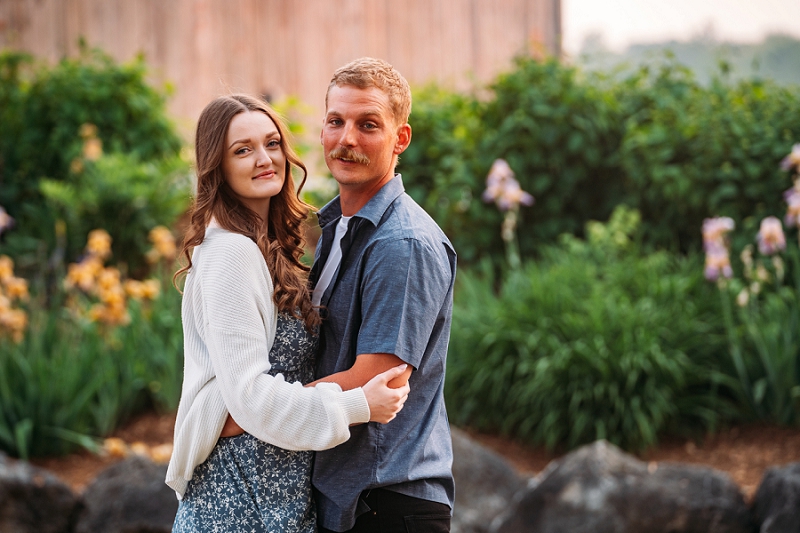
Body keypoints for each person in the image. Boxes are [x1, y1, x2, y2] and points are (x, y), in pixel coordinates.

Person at [165, 94, 410, 532]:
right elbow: (251, 398)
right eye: (242, 150)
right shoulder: (232, 253)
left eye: (272, 143)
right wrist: (356, 404)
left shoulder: (266, 248)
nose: (264, 159)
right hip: (238, 499)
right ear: (217, 166)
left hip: (276, 492)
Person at [310, 57, 457, 533]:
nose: (347, 138)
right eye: (336, 121)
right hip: (354, 497)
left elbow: (377, 378)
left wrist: (257, 414)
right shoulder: (338, 228)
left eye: (368, 124)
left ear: (401, 139)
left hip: (388, 503)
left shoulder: (403, 244)